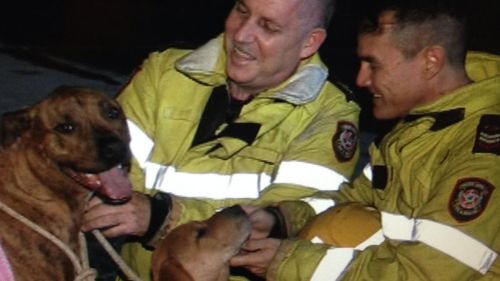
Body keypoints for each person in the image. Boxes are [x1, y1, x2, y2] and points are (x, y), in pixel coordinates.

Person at [81, 0, 361, 280]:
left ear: (309, 43)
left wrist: (162, 218)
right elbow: (101, 168)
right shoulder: (166, 71)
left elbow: (293, 217)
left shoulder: (328, 115)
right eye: (241, 10)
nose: (241, 35)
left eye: (268, 26)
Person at [230, 1, 500, 280]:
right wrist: (280, 221)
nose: (361, 79)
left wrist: (288, 263)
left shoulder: (483, 152)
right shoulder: (419, 130)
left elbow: (426, 275)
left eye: (373, 64)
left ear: (430, 62)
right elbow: (351, 200)